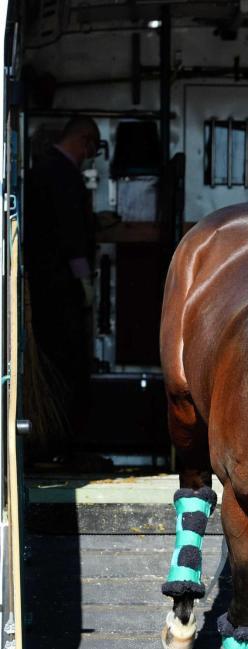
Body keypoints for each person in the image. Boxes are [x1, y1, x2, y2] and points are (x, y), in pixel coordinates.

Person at [25, 114, 100, 461]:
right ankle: (63, 443)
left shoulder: (41, 171)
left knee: (52, 359)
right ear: (83, 141)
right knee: (67, 360)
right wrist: (84, 280)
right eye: (92, 148)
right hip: (59, 285)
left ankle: (50, 443)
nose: (90, 156)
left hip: (41, 284)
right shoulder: (63, 176)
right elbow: (71, 234)